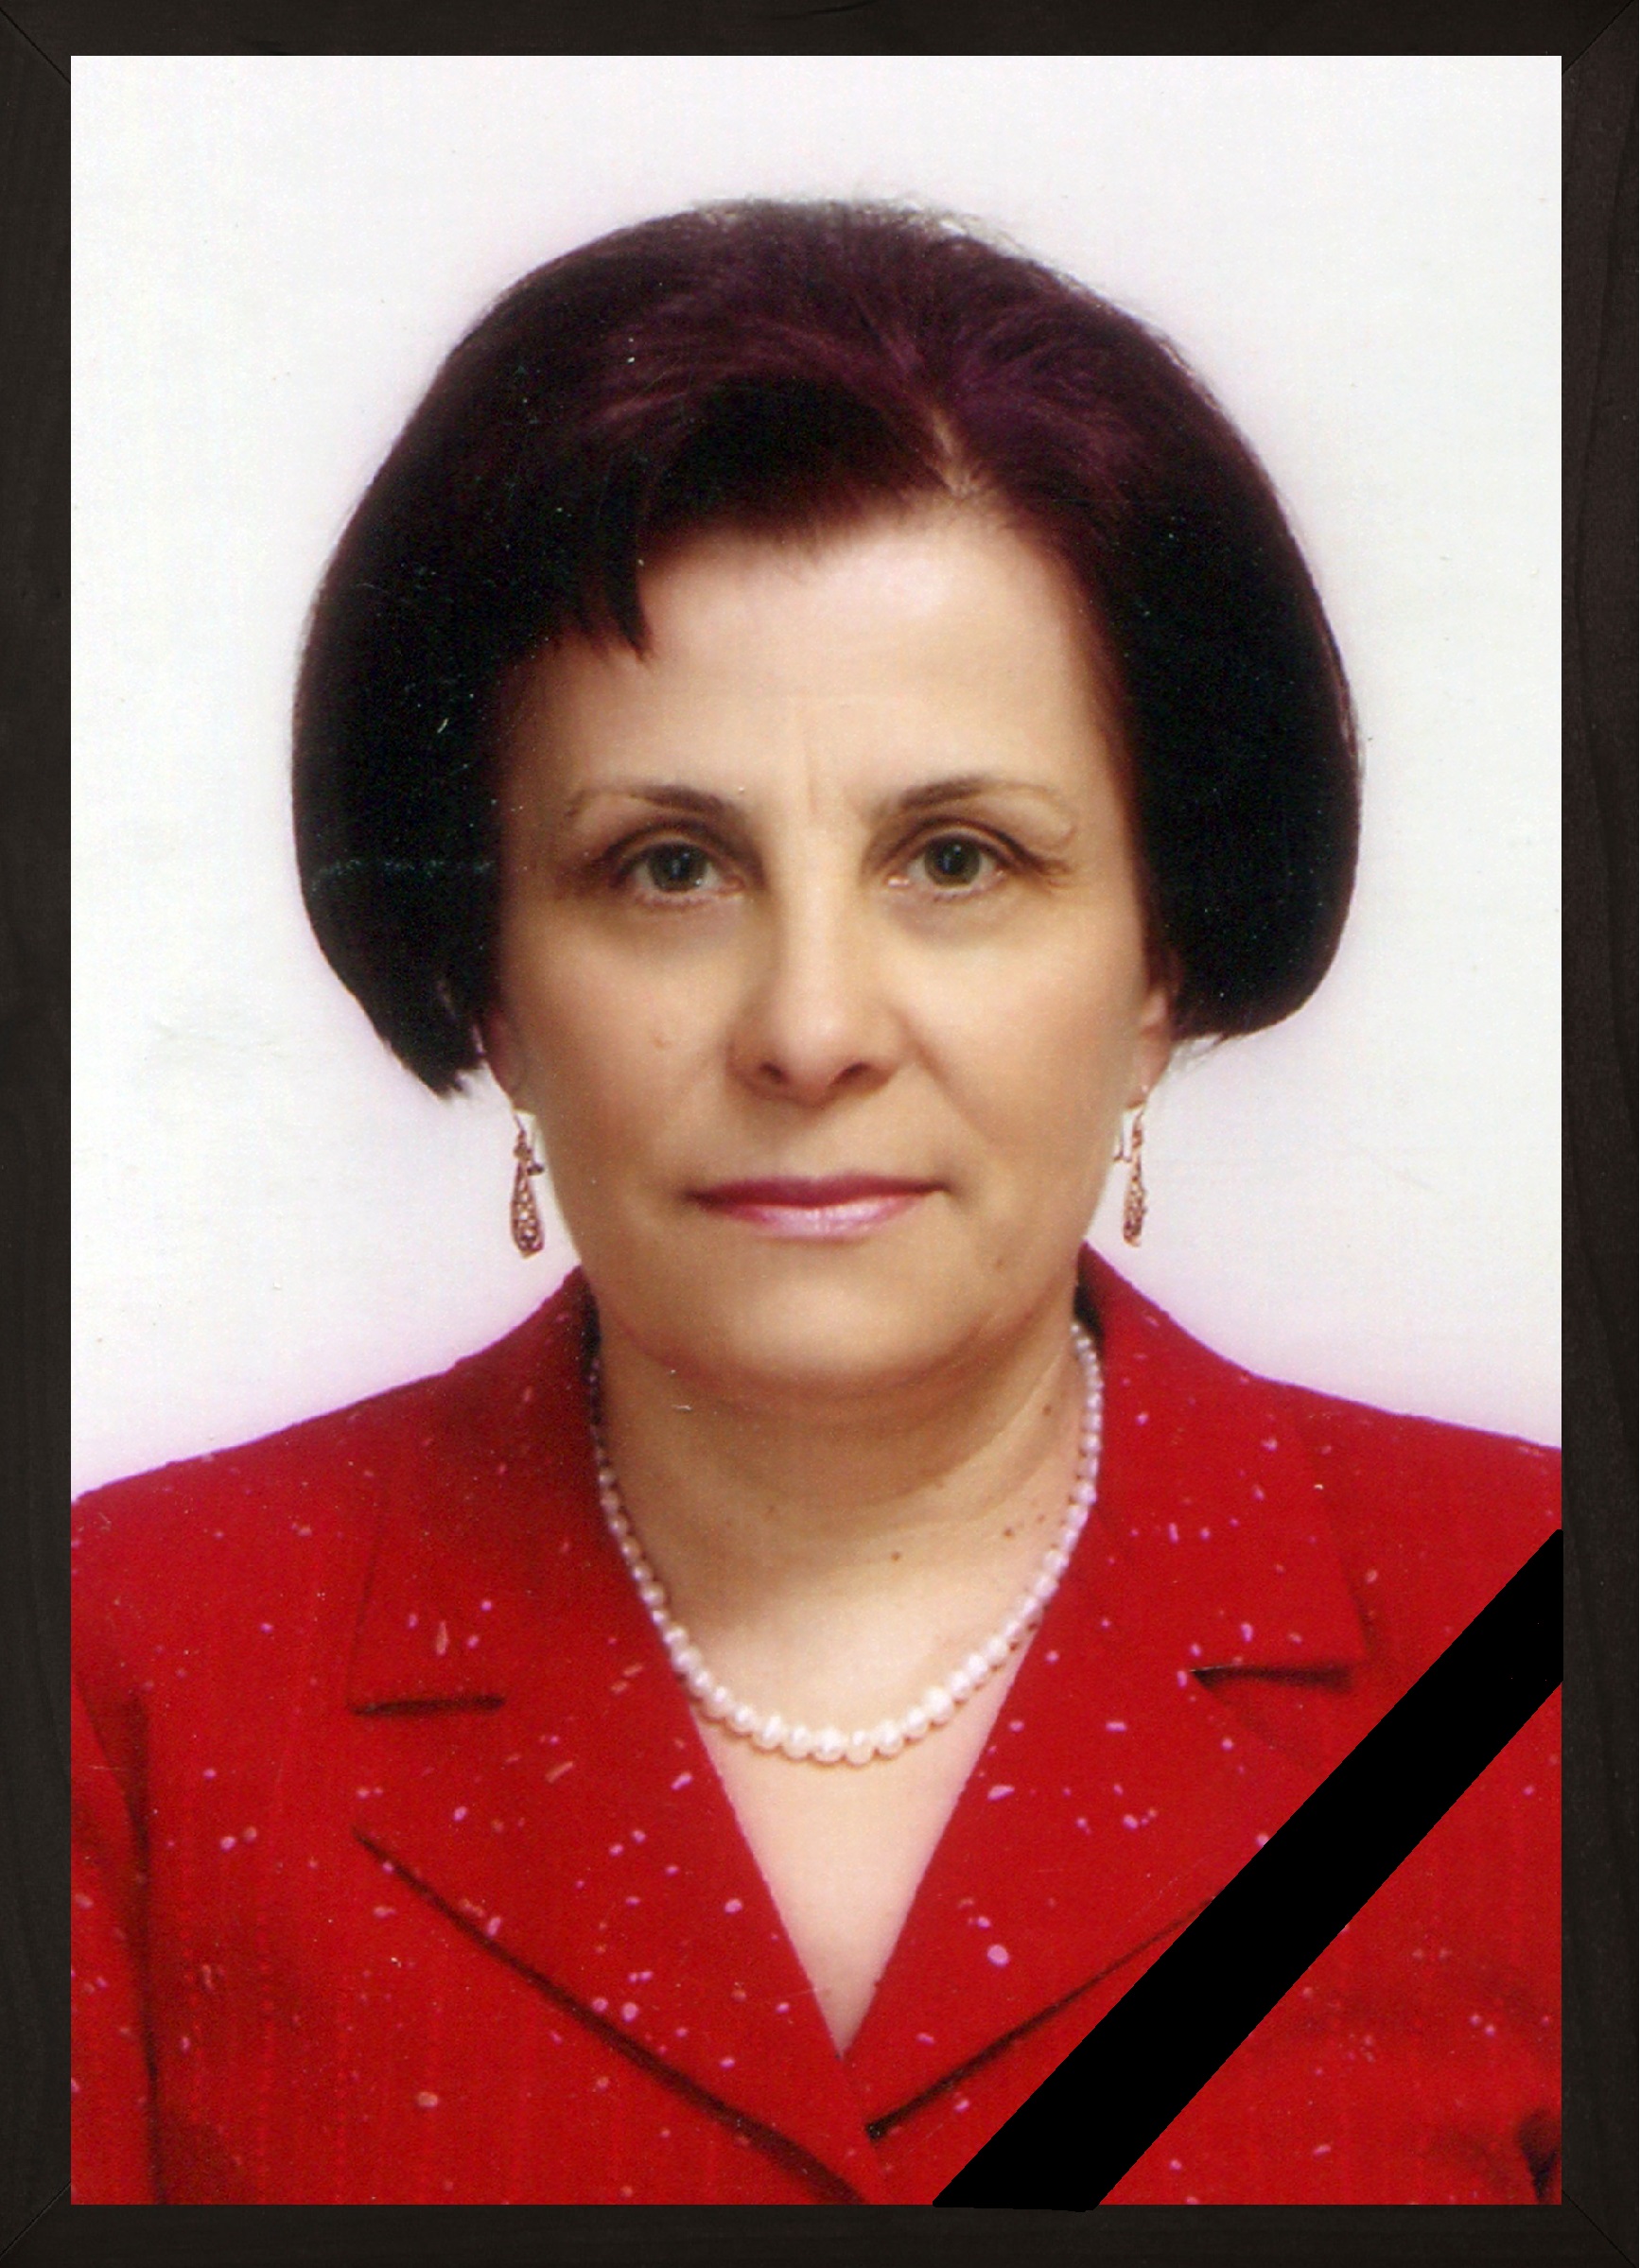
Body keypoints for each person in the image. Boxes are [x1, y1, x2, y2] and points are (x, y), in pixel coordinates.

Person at [72, 200, 1560, 2207]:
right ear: (487, 974)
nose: (811, 1028)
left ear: (1160, 954)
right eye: (668, 866)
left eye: (957, 858)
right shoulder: (119, 1676)